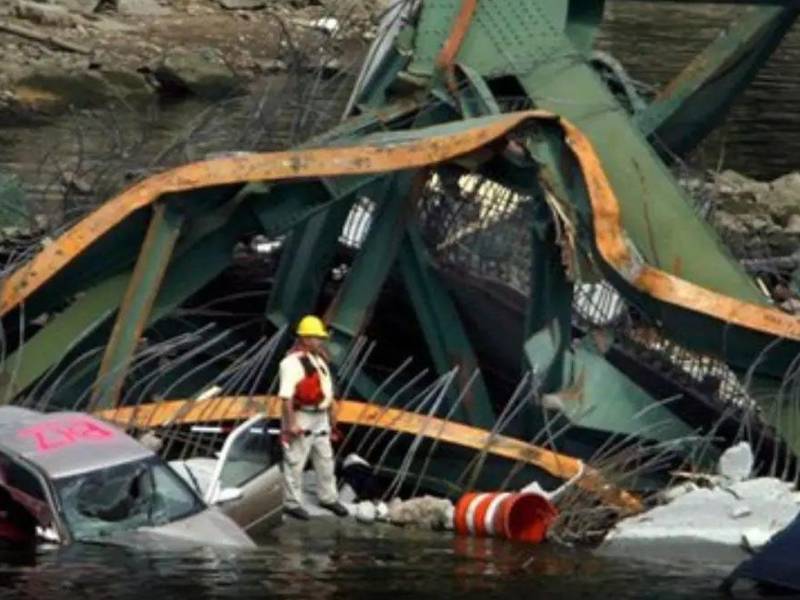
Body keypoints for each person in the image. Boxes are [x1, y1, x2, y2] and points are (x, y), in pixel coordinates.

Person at [279, 315, 348, 520]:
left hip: (320, 416)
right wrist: (291, 423)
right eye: (316, 337)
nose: (320, 341)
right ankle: (291, 503)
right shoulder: (292, 363)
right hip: (303, 415)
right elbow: (286, 397)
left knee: (325, 458)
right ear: (305, 338)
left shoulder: (318, 360)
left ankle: (328, 498)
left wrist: (331, 416)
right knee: (295, 460)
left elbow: (326, 390)